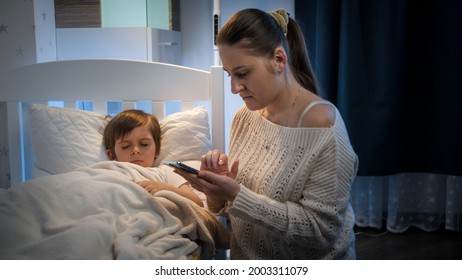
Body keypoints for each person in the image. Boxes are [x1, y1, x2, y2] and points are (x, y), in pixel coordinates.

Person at [173, 8, 358, 259]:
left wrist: (237, 194)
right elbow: (234, 211)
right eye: (230, 75)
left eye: (242, 73)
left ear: (279, 60)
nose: (234, 88)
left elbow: (322, 232)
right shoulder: (245, 118)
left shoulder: (324, 129)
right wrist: (217, 192)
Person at [103, 109, 203, 207]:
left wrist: (164, 188)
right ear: (112, 155)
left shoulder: (167, 172)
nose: (136, 150)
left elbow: (197, 203)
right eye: (125, 146)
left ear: (157, 150)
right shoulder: (109, 171)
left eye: (144, 144)